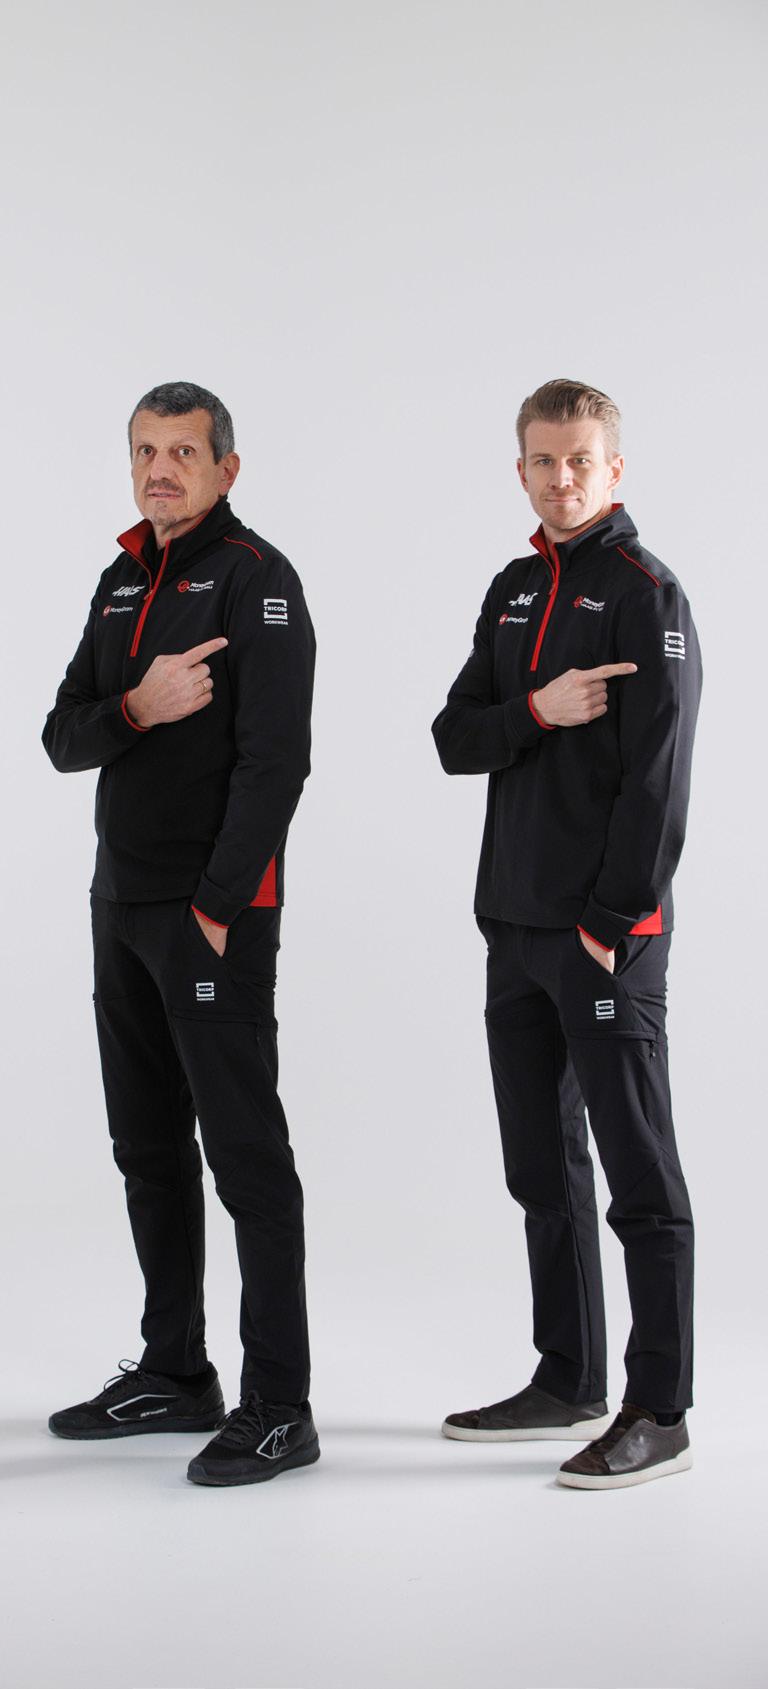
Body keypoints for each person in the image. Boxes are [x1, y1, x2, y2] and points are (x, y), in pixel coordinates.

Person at [43, 380, 319, 1488]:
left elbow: (277, 761)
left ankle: (281, 1406)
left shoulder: (257, 581)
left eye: (184, 453)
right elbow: (62, 736)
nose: (161, 470)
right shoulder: (121, 579)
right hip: (120, 906)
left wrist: (215, 906)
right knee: (147, 1147)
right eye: (146, 451)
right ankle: (175, 1370)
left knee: (245, 1156)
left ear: (226, 469)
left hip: (214, 918)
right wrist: (136, 708)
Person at [432, 378, 702, 1489]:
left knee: (640, 1178)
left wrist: (608, 924)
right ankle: (569, 1377)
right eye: (543, 460)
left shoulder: (647, 593)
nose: (561, 478)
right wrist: (537, 710)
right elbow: (453, 738)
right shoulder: (510, 590)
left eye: (580, 459)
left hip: (602, 937)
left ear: (615, 468)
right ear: (521, 470)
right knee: (540, 1169)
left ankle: (661, 1411)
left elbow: (660, 779)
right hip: (513, 926)